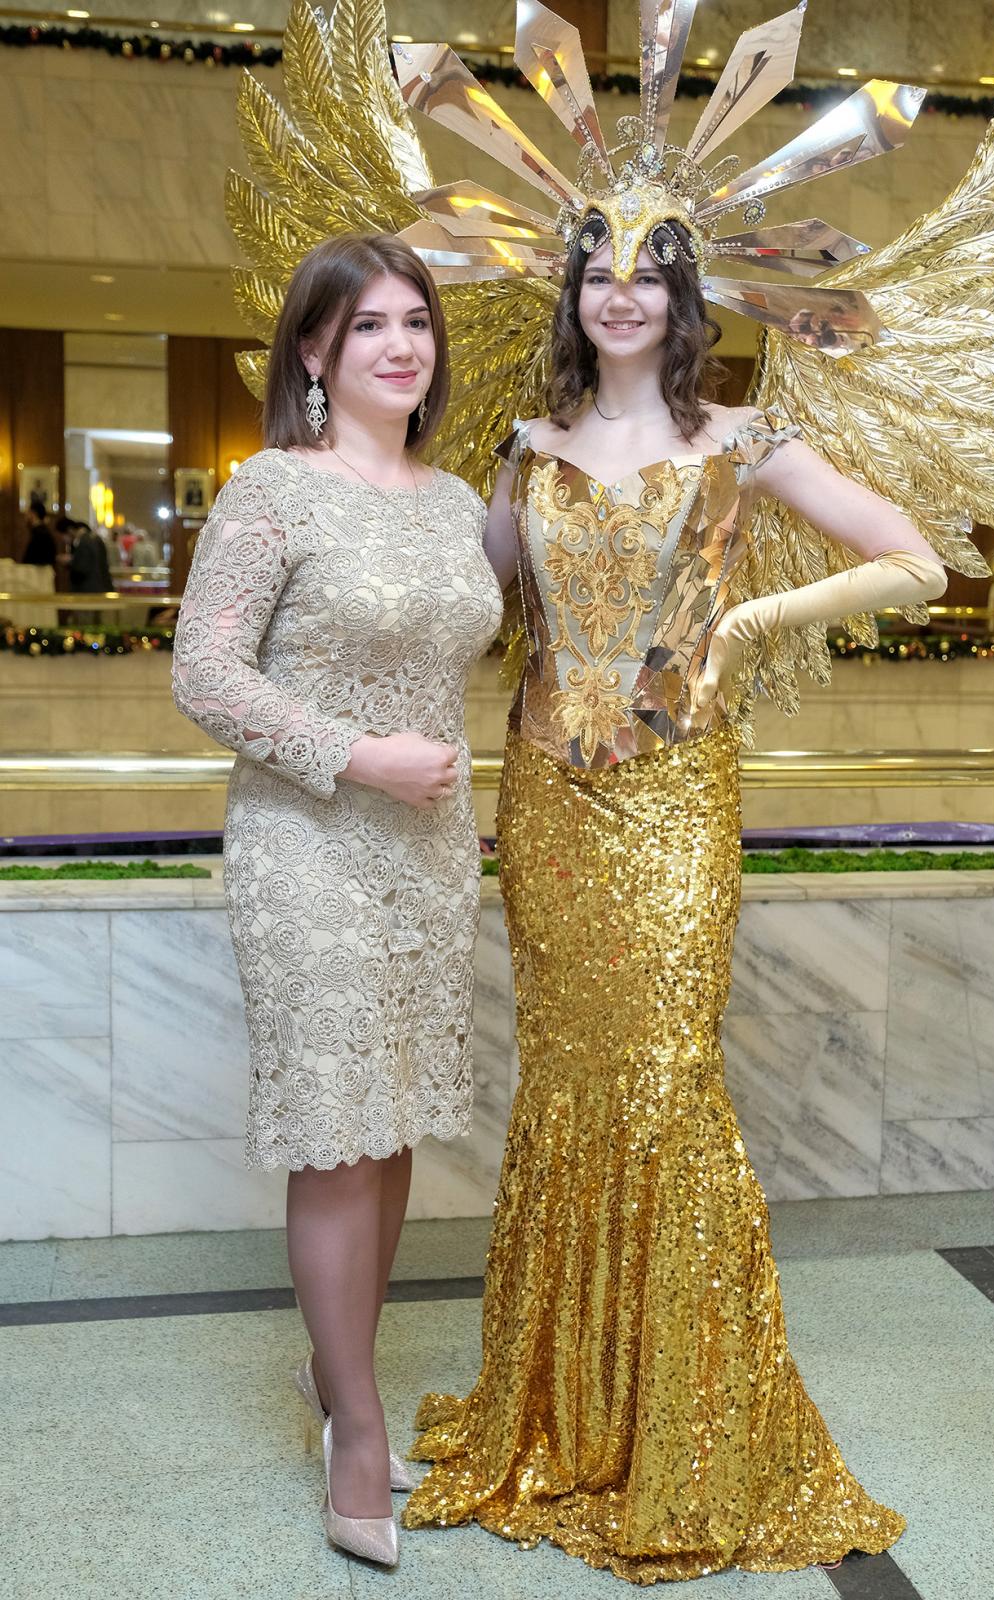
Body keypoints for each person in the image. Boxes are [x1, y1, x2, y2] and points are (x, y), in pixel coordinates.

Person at [401, 216, 946, 1580]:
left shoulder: (745, 441)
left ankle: (683, 1431)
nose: (621, 295)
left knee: (662, 1077)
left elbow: (918, 562)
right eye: (599, 273)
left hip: (677, 798)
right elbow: (459, 607)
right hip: (545, 798)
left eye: (648, 274)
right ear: (572, 296)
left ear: (683, 296)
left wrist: (749, 623)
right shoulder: (526, 448)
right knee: (566, 1076)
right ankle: (563, 1409)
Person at [172, 232, 502, 1566]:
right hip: (306, 844)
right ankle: (356, 1429)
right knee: (334, 1132)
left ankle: (336, 1368)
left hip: (430, 850)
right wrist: (357, 754)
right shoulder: (272, 490)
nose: (399, 344)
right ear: (313, 350)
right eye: (367, 324)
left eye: (415, 320)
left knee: (391, 1118)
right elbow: (204, 673)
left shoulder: (457, 500)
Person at [67, 521, 114, 594]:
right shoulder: (96, 539)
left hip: (89, 587)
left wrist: (71, 562)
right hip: (101, 584)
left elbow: (82, 567)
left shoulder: (84, 542)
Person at [20, 503, 56, 569]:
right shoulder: (40, 531)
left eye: (28, 512)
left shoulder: (40, 533)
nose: (25, 515)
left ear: (33, 514)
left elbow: (32, 559)